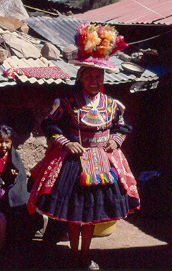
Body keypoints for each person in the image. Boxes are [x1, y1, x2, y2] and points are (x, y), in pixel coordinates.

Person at [28, 23, 140, 270]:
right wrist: (66, 143)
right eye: (89, 76)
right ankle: (73, 252)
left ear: (103, 79)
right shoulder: (67, 103)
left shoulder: (112, 105)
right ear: (80, 77)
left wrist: (116, 140)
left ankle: (85, 254)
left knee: (91, 213)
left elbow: (123, 127)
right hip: (74, 164)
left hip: (103, 162)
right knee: (75, 213)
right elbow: (50, 126)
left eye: (98, 77)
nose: (93, 80)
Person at [0, 124, 42, 255]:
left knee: (27, 202)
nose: (3, 146)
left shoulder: (13, 155)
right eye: (0, 142)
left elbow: (20, 174)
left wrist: (15, 174)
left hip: (11, 188)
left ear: (11, 142)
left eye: (6, 142)